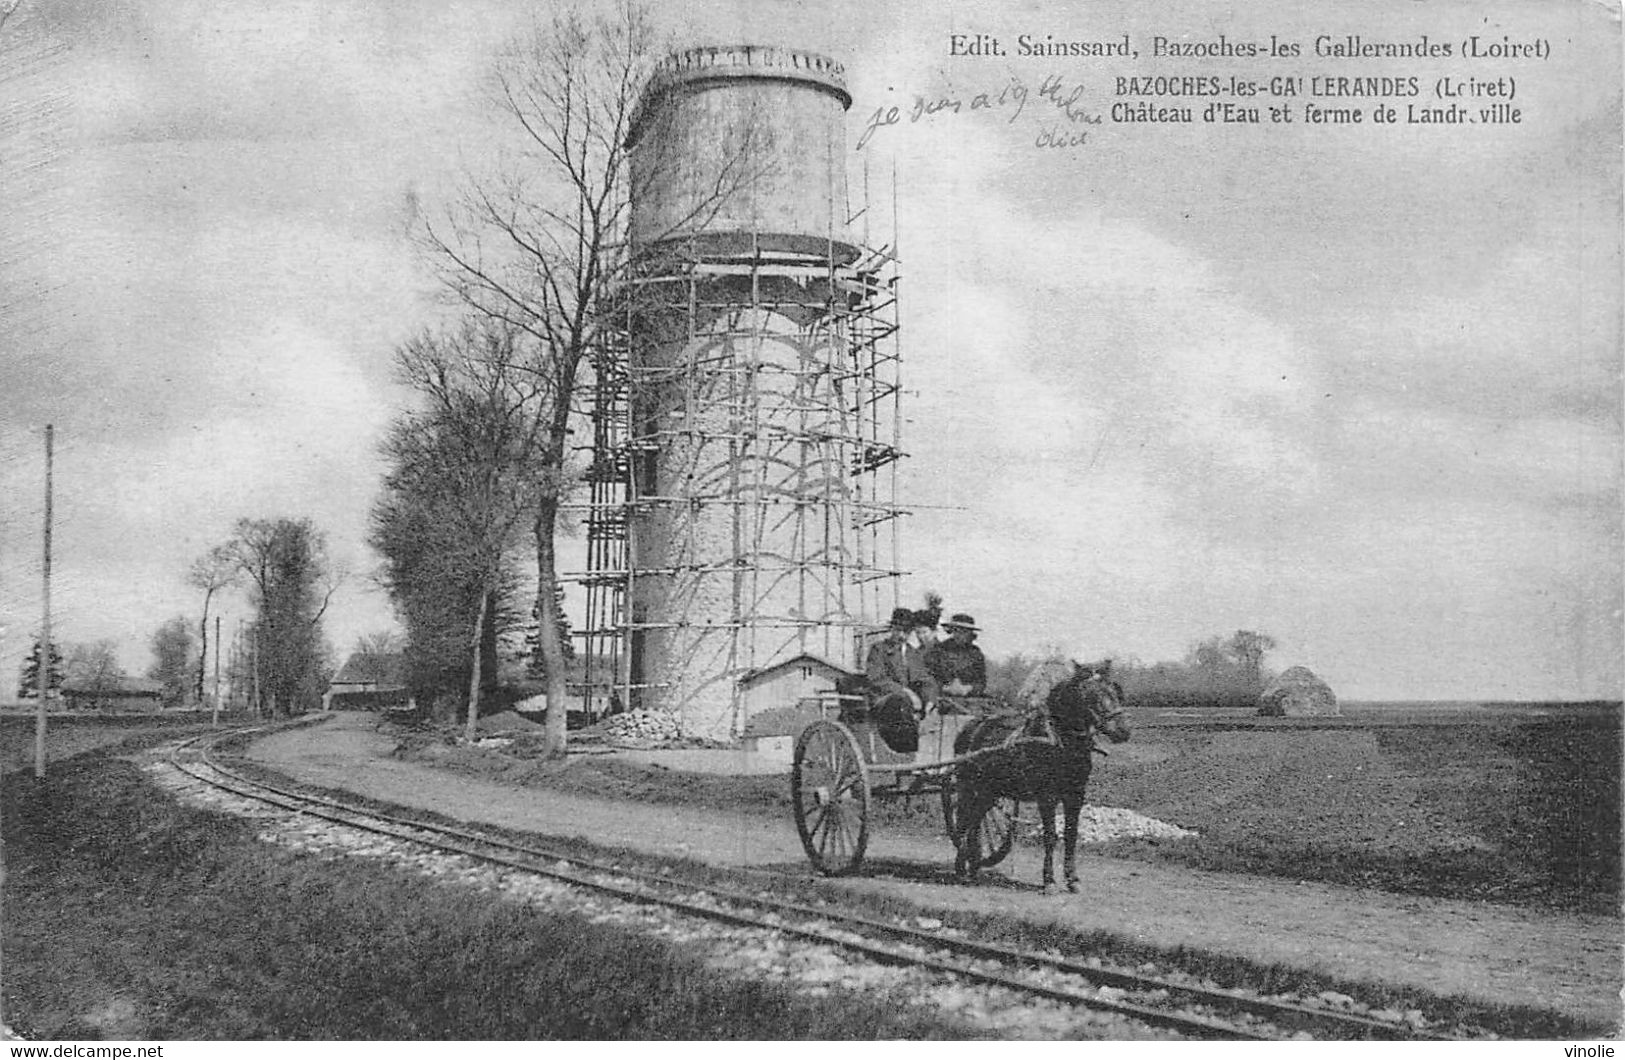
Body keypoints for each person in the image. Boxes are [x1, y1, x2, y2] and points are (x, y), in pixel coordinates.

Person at [864, 606, 938, 751]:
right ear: (892, 629)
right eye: (898, 630)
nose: (902, 635)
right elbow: (876, 678)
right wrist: (906, 692)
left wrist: (930, 700)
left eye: (907, 631)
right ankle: (907, 752)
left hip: (907, 705)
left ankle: (923, 752)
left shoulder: (913, 653)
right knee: (900, 702)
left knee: (932, 709)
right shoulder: (879, 649)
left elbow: (925, 680)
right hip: (883, 700)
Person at [929, 612, 988, 699]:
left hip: (969, 698)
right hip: (941, 697)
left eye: (964, 632)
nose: (959, 635)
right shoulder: (939, 650)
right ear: (952, 631)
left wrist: (968, 689)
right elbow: (929, 677)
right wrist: (946, 688)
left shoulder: (976, 654)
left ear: (970, 633)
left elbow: (981, 682)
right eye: (956, 631)